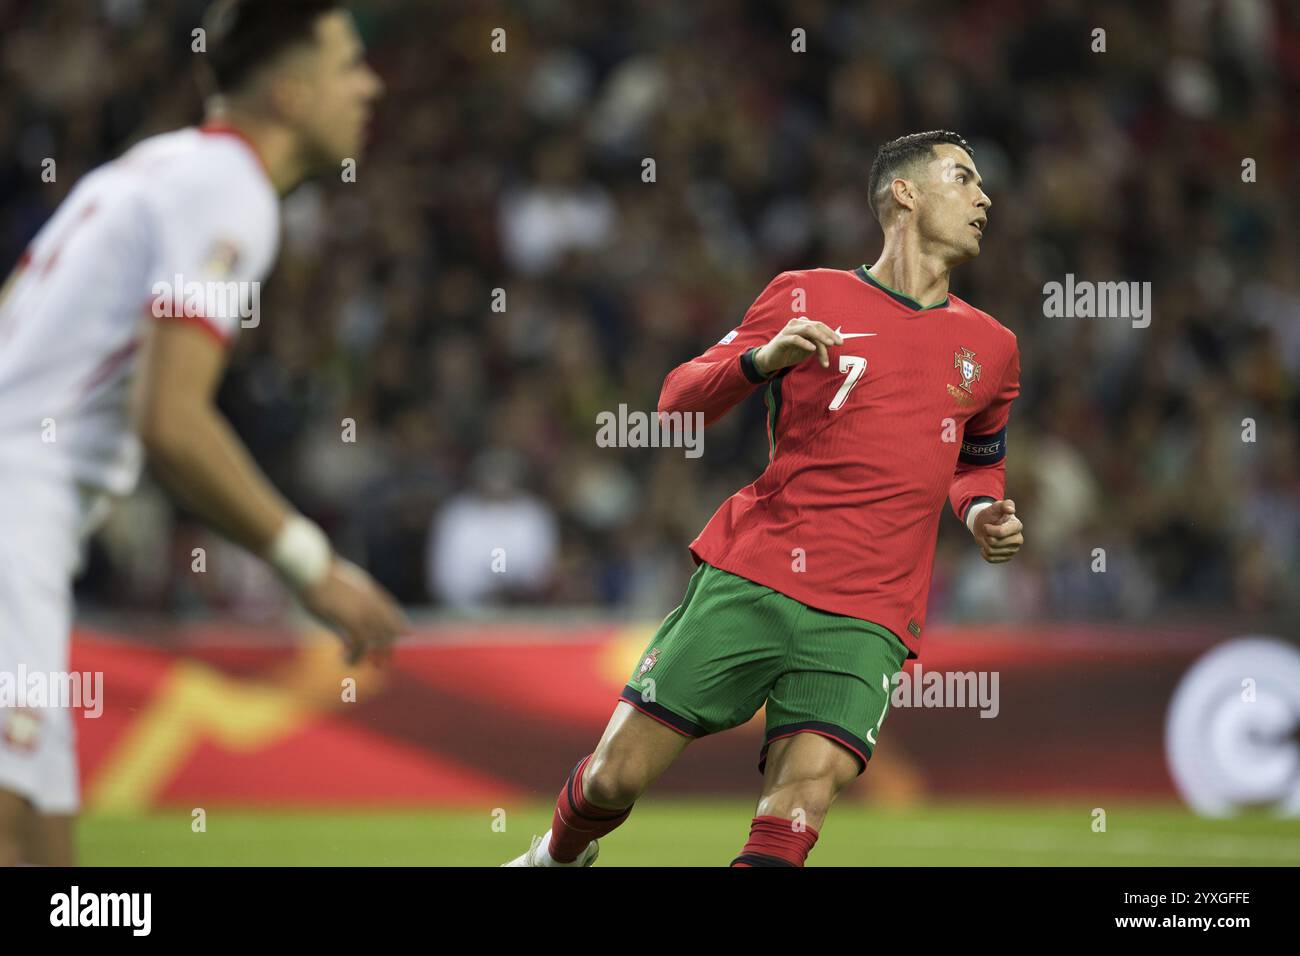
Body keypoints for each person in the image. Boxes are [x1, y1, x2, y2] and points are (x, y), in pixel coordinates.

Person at [504, 130, 1024, 867]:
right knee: (614, 777)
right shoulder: (806, 294)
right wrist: (759, 360)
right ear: (904, 194)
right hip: (757, 574)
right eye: (965, 178)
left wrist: (982, 513)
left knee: (799, 803)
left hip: (870, 612)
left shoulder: (993, 346)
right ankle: (557, 857)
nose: (985, 198)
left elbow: (977, 462)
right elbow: (676, 403)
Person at [0, 0, 405, 866]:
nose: (370, 85)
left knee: (46, 852)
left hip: (25, 526)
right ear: (290, 95)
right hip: (11, 517)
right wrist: (312, 565)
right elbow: (171, 420)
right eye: (347, 64)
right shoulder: (232, 191)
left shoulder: (150, 168)